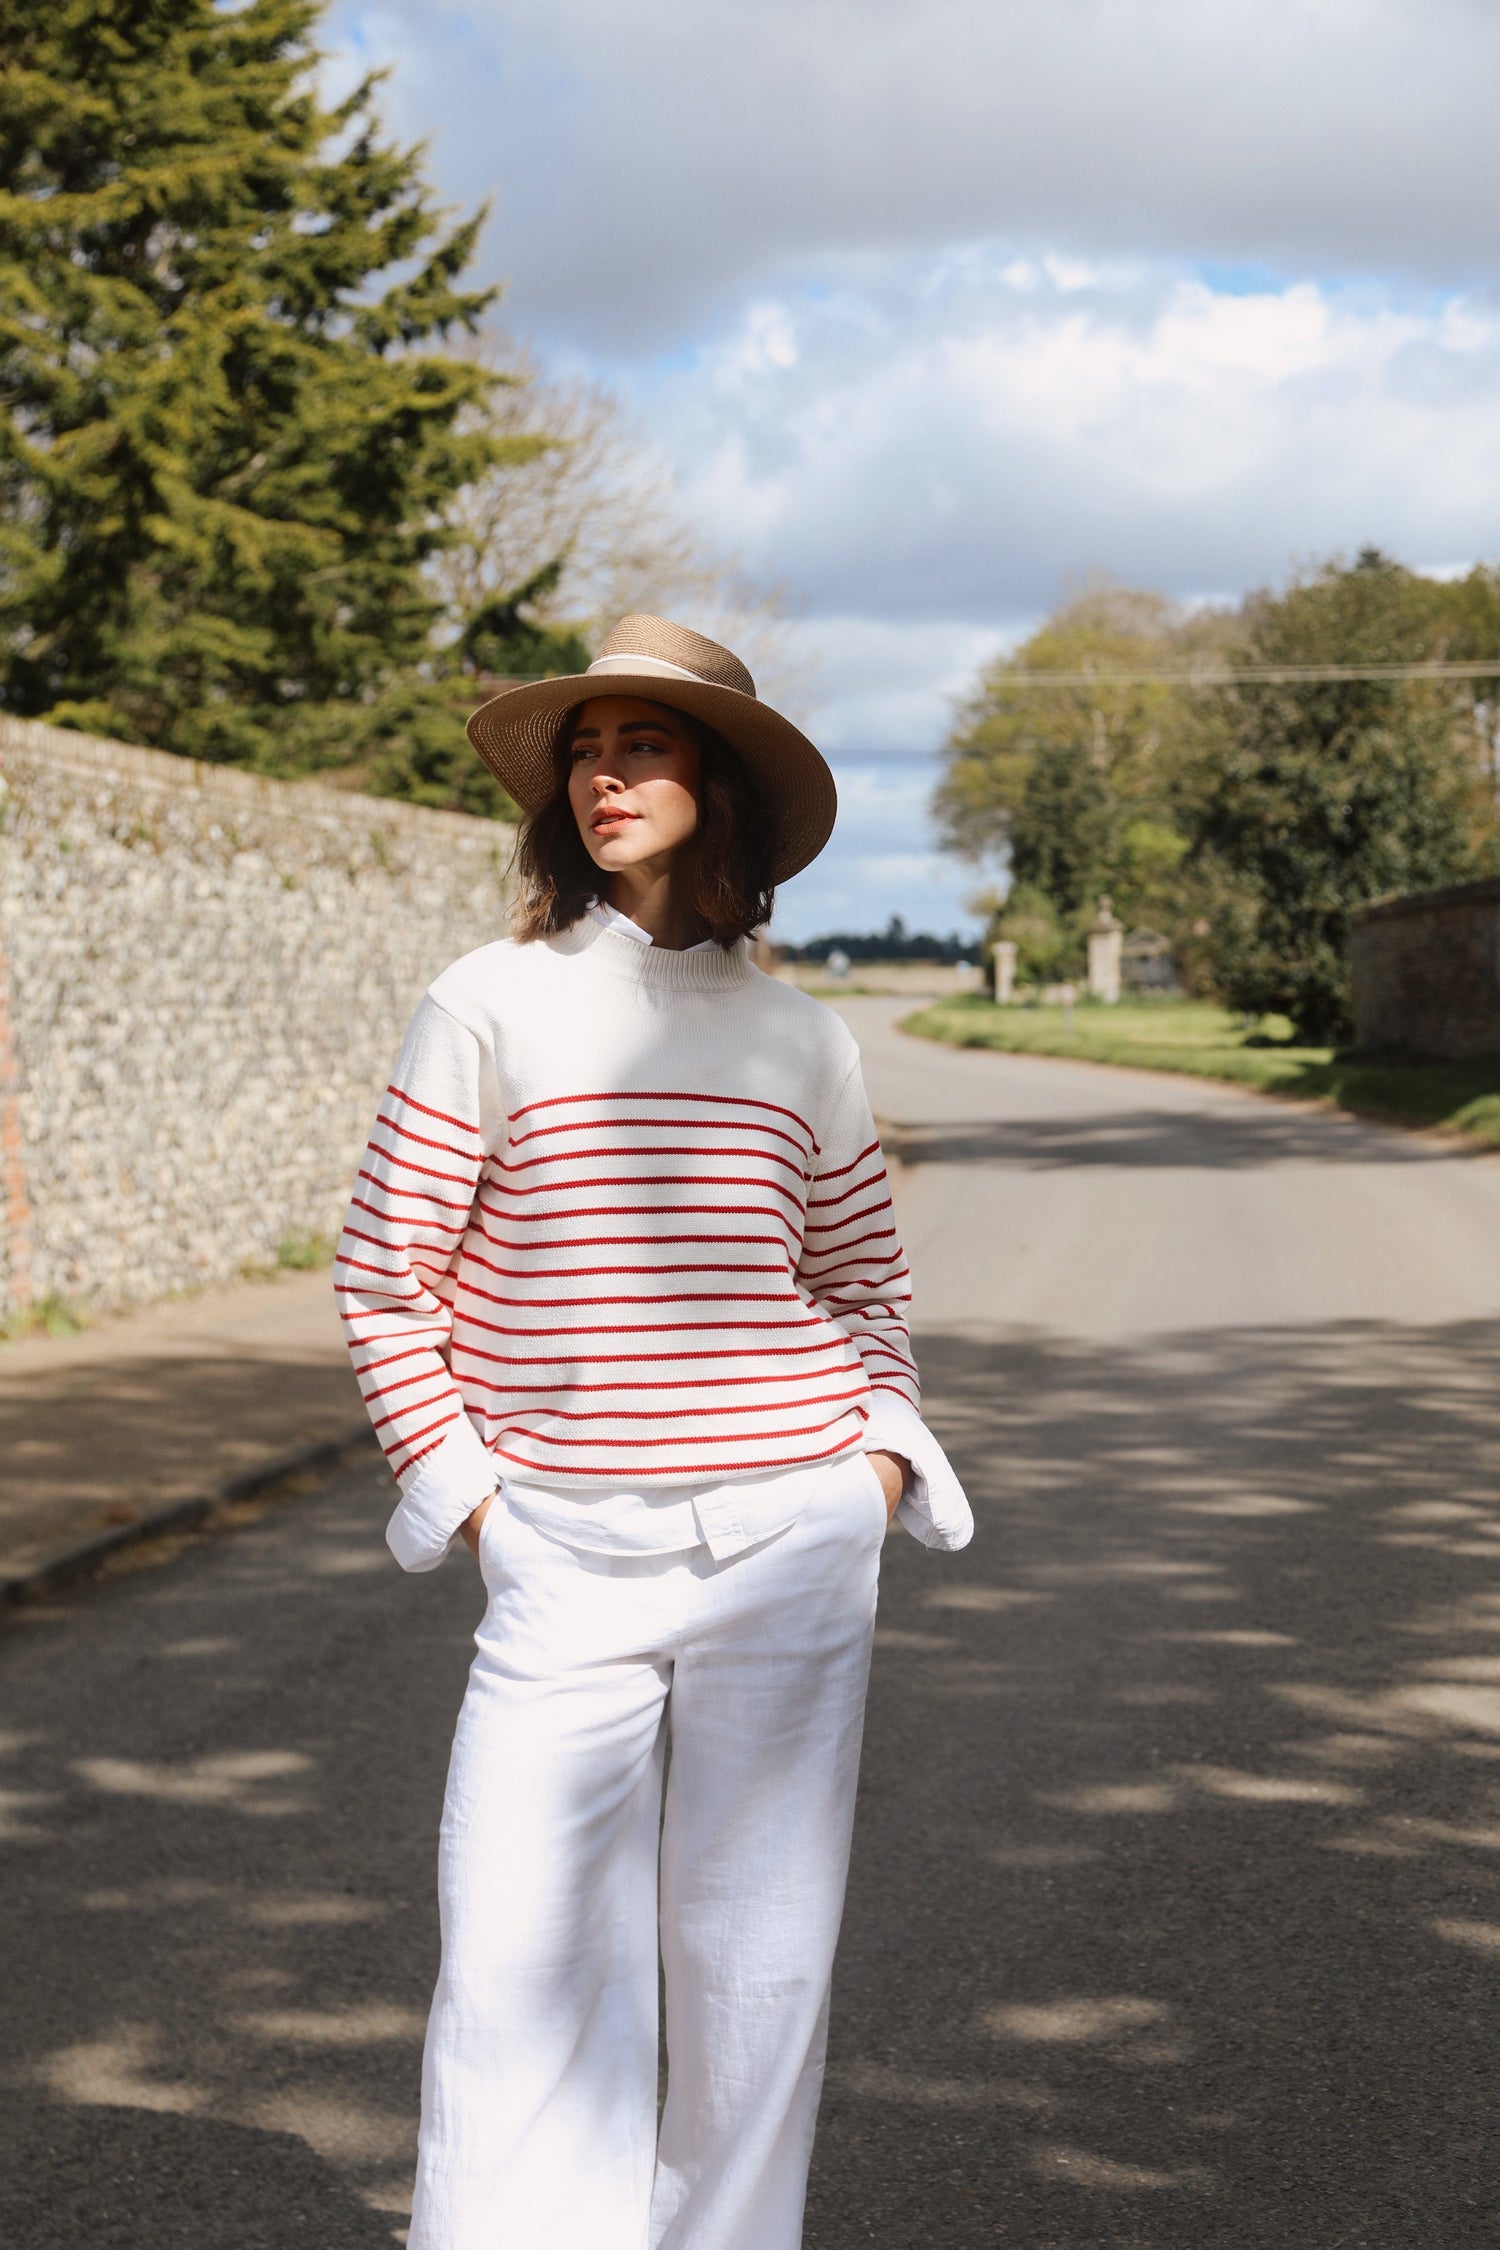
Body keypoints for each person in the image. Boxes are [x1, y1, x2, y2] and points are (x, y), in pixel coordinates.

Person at [335, 614, 972, 2250]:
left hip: (792, 1538)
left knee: (759, 1959)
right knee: (518, 1952)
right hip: (562, 1550)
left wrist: (872, 1467)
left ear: (725, 788)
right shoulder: (486, 1002)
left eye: (649, 743)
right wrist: (479, 1503)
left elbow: (865, 1280)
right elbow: (384, 1273)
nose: (607, 772)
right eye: (588, 748)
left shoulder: (801, 1039)